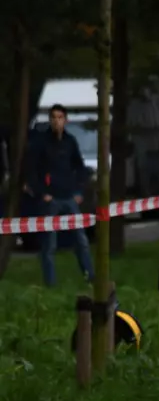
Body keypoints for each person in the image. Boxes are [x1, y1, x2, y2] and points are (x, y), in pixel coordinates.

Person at [25, 104, 94, 287]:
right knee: (49, 245)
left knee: (81, 240)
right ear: (50, 120)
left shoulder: (70, 141)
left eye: (60, 117)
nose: (57, 121)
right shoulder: (41, 143)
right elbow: (31, 172)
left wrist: (79, 191)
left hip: (69, 197)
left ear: (65, 120)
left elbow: (80, 167)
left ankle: (90, 277)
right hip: (50, 199)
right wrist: (42, 193)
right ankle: (51, 284)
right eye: (53, 117)